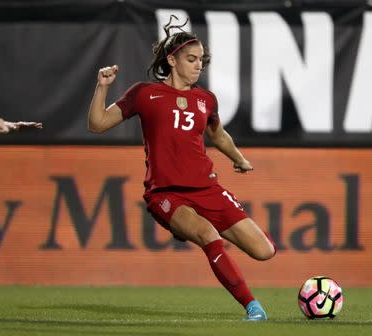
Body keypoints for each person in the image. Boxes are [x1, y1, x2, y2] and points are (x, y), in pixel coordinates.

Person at [87, 16, 276, 321]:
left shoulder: (205, 100)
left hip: (207, 189)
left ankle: (188, 227)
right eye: (191, 59)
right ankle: (252, 308)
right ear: (171, 60)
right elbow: (97, 124)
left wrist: (238, 158)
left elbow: (218, 135)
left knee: (265, 251)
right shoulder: (145, 94)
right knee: (208, 234)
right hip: (167, 193)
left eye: (201, 60)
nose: (198, 65)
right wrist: (102, 87)